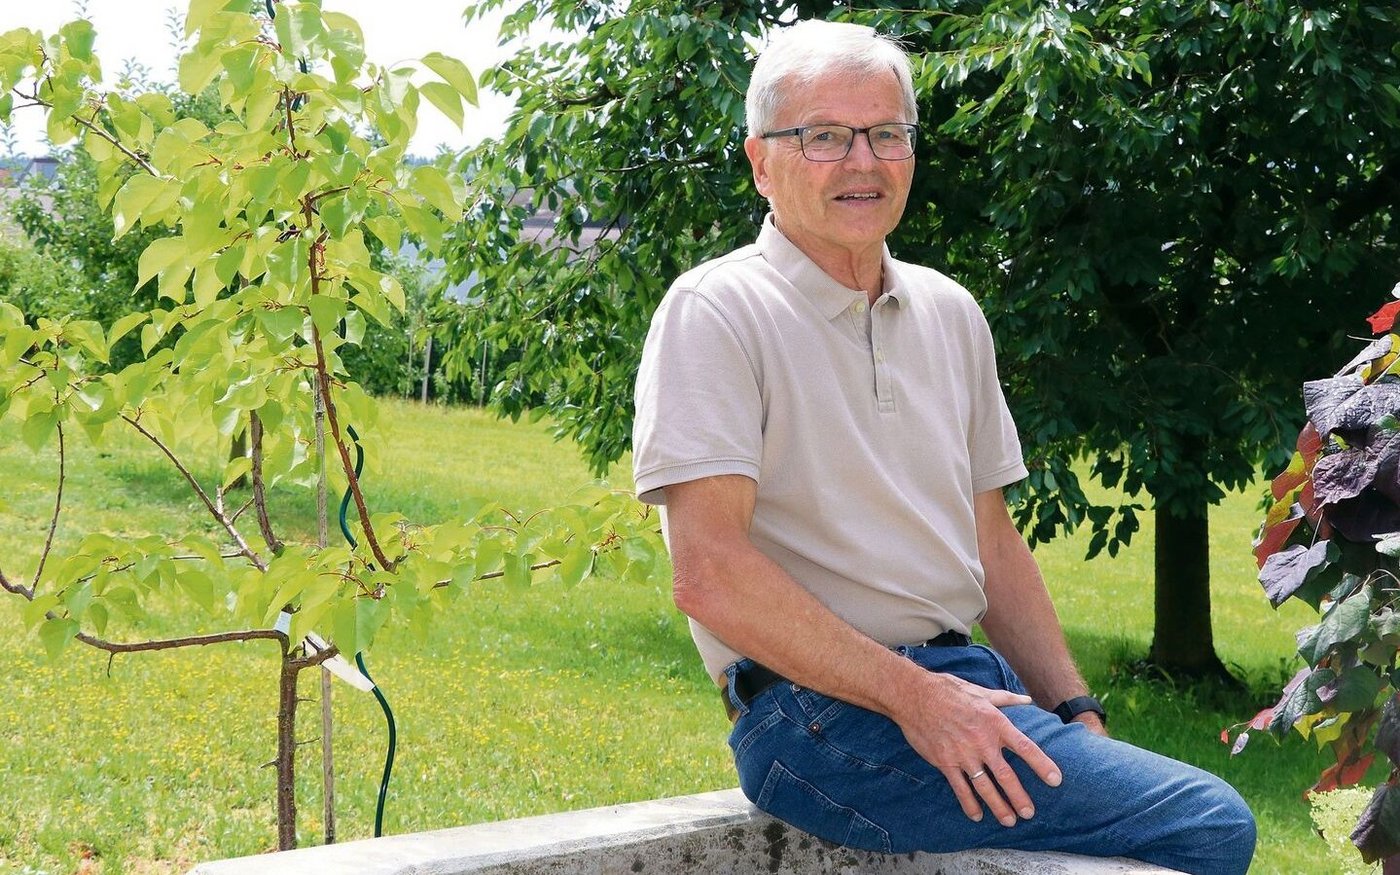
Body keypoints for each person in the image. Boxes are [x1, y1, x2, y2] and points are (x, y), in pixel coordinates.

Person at [631, 18, 1256, 875]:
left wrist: (1074, 709)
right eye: (825, 137)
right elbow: (709, 573)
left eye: (887, 133)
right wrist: (916, 698)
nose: (864, 161)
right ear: (760, 161)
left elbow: (990, 542)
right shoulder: (716, 311)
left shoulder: (950, 311)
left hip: (962, 680)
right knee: (1205, 824)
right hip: (815, 717)